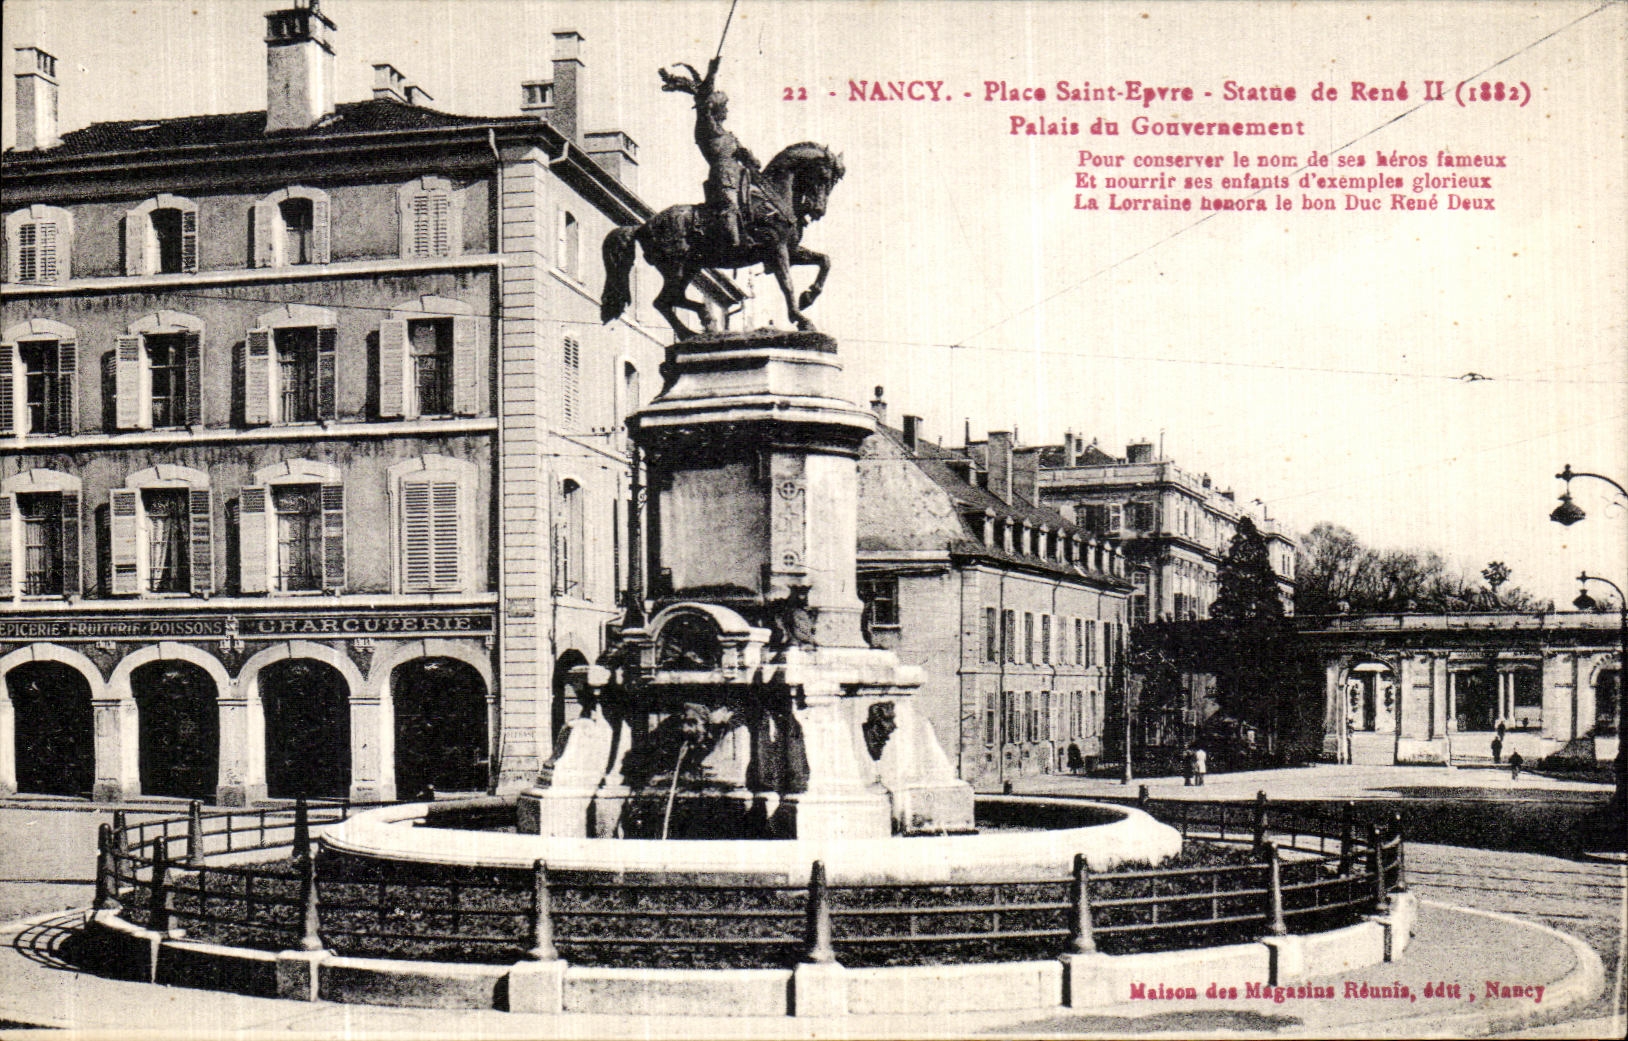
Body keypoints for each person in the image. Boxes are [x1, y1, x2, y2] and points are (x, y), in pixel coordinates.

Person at [661, 57, 756, 250]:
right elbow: (704, 102)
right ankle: (732, 247)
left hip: (741, 182)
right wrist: (712, 72)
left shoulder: (730, 136)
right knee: (729, 209)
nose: (727, 110)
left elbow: (754, 162)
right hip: (723, 181)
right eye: (724, 107)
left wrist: (749, 158)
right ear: (716, 111)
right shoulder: (707, 129)